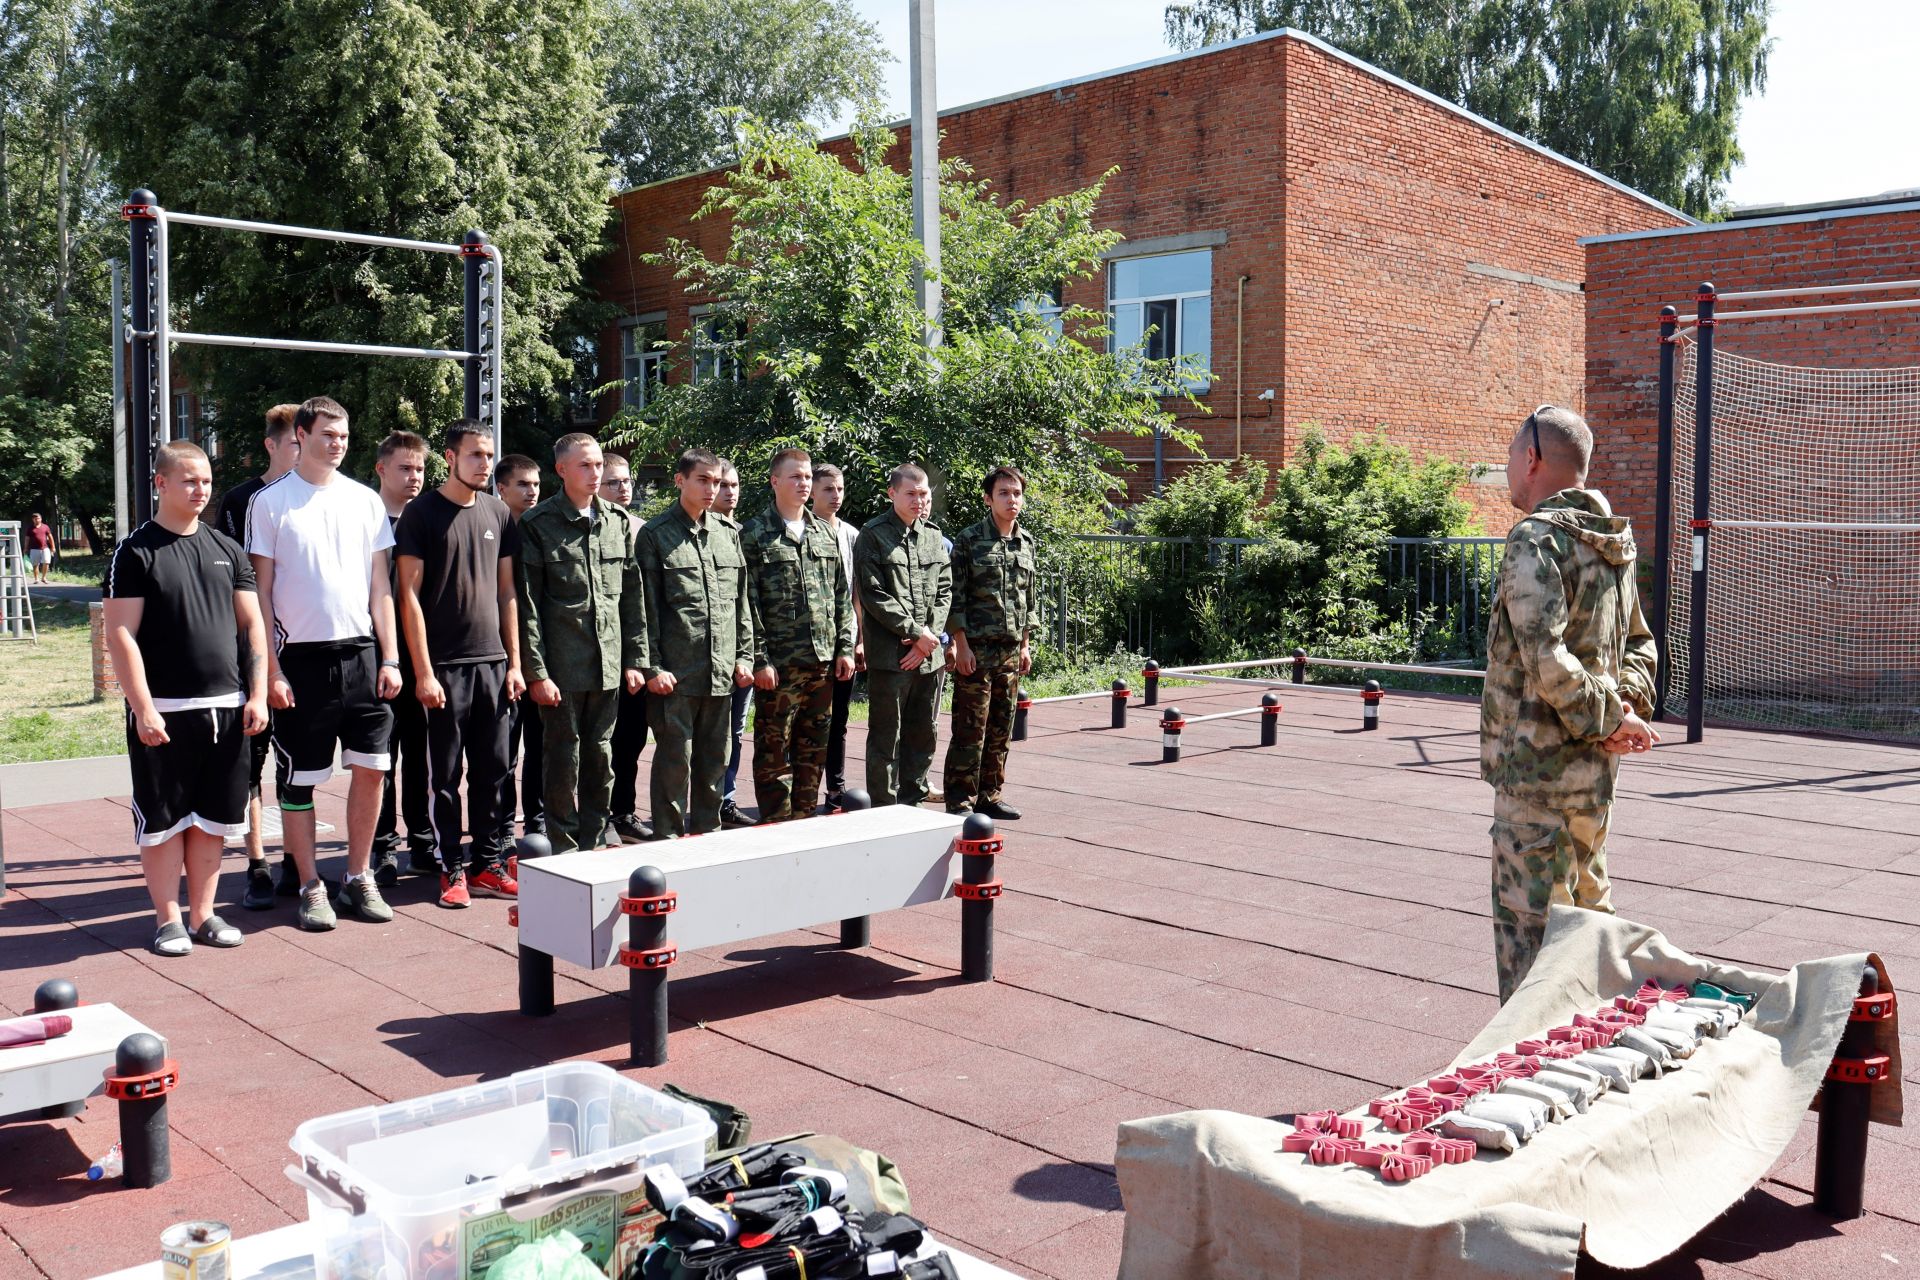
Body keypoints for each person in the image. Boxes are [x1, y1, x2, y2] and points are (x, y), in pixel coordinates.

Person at [1482, 404, 1660, 1002]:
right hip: (1593, 783)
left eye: (1511, 455)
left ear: (1532, 459)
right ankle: (1594, 1070)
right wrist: (1624, 714)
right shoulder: (1613, 542)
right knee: (1593, 933)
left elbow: (1545, 654)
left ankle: (1526, 1085)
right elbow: (1640, 643)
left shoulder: (1535, 540)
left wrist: (1613, 718)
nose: (1509, 468)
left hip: (1536, 787)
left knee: (1534, 951)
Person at [104, 441, 269, 955]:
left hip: (226, 709)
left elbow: (253, 626)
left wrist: (257, 693)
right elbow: (121, 635)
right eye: (189, 480)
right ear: (161, 484)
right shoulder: (135, 552)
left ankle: (204, 915)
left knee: (215, 819)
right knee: (163, 822)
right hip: (166, 714)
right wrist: (144, 707)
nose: (201, 489)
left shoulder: (227, 548)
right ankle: (167, 919)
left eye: (206, 480)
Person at [247, 395, 401, 931]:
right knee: (299, 783)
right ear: (302, 436)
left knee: (373, 771)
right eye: (327, 435)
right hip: (301, 663)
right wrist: (270, 671)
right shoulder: (270, 503)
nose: (337, 445)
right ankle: (311, 884)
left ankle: (358, 876)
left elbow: (381, 586)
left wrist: (392, 658)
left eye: (343, 436)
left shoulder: (365, 502)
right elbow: (260, 595)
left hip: (363, 656)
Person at [396, 420, 523, 907]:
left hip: (492, 664)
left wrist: (514, 663)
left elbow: (508, 592)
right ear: (450, 457)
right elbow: (407, 596)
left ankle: (488, 864)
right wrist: (423, 672)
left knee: (494, 772)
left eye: (489, 456)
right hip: (444, 668)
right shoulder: (420, 515)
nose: (485, 464)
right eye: (475, 455)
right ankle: (451, 868)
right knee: (444, 778)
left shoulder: (498, 513)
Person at [516, 433, 646, 855]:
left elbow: (632, 598)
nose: (596, 474)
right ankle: (562, 842)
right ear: (562, 470)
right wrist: (536, 672)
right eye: (585, 466)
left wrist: (634, 659)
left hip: (607, 664)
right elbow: (529, 607)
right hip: (562, 667)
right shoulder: (539, 525)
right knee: (561, 759)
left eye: (597, 466)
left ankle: (592, 839)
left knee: (601, 757)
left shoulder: (618, 522)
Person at [637, 448, 754, 837]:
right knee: (675, 763)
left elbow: (741, 604)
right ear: (680, 480)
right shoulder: (655, 536)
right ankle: (668, 839)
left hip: (720, 673)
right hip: (676, 675)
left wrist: (743, 656)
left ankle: (708, 836)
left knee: (714, 763)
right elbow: (645, 610)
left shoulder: (728, 535)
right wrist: (652, 668)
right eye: (702, 480)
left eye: (717, 481)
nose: (711, 489)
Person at [215, 403, 300, 909]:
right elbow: (234, 578)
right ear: (272, 445)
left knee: (299, 764)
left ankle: (298, 860)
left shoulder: (324, 498)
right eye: (295, 442)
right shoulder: (241, 500)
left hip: (305, 653)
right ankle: (257, 865)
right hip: (250, 651)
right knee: (251, 764)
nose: (305, 450)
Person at [741, 448, 855, 823]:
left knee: (813, 749)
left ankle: (804, 819)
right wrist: (759, 658)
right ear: (775, 481)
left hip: (821, 662)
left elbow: (841, 594)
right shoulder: (756, 534)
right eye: (795, 477)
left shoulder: (824, 532)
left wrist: (844, 648)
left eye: (807, 477)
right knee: (774, 749)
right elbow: (748, 602)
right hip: (779, 666)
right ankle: (775, 822)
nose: (803, 483)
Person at [943, 466, 1037, 820]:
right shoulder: (969, 540)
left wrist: (1025, 644)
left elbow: (1029, 599)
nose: (1011, 499)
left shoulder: (1025, 542)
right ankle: (960, 800)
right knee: (970, 728)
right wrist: (960, 644)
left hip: (1010, 651)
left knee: (1001, 727)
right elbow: (956, 595)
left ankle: (990, 795)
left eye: (1016, 493)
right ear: (988, 498)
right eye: (1003, 493)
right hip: (976, 650)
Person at [853, 464, 951, 807]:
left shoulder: (934, 536)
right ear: (892, 494)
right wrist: (915, 633)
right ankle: (884, 808)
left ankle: (915, 801)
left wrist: (930, 639)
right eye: (910, 493)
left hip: (927, 657)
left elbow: (945, 590)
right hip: (891, 657)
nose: (918, 500)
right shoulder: (873, 534)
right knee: (886, 737)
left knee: (923, 733)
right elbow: (874, 594)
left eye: (923, 494)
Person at [370, 431, 432, 883]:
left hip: (423, 657)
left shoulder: (430, 517)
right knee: (379, 757)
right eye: (405, 469)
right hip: (374, 656)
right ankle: (383, 846)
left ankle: (423, 842)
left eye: (421, 469)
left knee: (422, 754)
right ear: (381, 469)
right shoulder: (363, 517)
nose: (414, 478)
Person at [602, 453, 652, 843]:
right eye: (613, 482)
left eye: (627, 481)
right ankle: (595, 816)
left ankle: (623, 812)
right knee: (595, 742)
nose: (623, 489)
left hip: (634, 654)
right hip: (594, 654)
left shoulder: (643, 531)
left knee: (632, 738)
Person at [495, 455, 545, 846]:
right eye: (522, 484)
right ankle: (501, 827)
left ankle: (537, 821)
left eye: (535, 484)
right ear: (502, 488)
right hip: (500, 656)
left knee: (541, 745)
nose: (531, 491)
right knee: (503, 752)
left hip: (540, 655)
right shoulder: (490, 526)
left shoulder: (543, 527)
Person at [810, 464, 864, 807]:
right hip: (811, 644)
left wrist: (859, 639)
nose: (836, 496)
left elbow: (857, 591)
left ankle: (836, 788)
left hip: (844, 641)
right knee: (809, 721)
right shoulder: (804, 530)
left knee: (839, 720)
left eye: (840, 489)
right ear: (812, 491)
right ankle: (802, 788)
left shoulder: (851, 535)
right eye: (828, 489)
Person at [712, 461, 755, 828]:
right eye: (723, 484)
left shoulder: (744, 533)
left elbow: (747, 601)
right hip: (703, 657)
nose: (730, 491)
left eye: (734, 484)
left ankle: (726, 798)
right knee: (705, 734)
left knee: (735, 732)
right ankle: (702, 801)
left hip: (739, 654)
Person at [24, 512, 54, 584]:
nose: (37, 520)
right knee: (35, 564)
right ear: (33, 519)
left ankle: (44, 577)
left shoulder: (45, 527)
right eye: (35, 519)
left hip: (45, 548)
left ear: (41, 519)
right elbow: (27, 539)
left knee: (46, 562)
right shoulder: (30, 528)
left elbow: (50, 537)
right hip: (34, 549)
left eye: (38, 518)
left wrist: (53, 547)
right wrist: (25, 548)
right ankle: (36, 578)